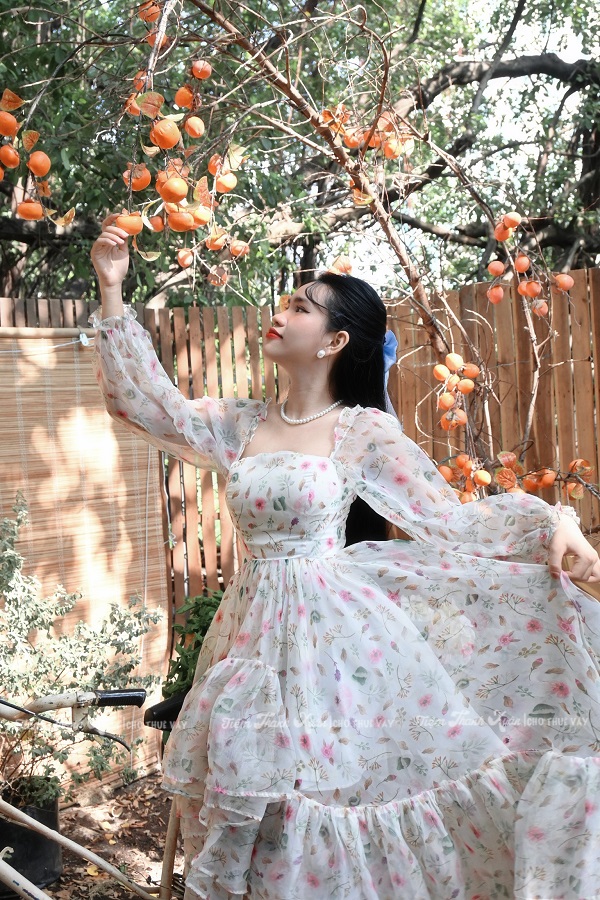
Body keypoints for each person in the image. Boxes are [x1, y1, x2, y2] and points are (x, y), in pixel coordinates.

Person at [91, 214, 600, 900]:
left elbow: (448, 520)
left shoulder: (361, 431)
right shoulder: (241, 424)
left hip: (334, 643)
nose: (280, 315)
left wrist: (553, 523)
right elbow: (147, 406)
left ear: (335, 341)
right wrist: (112, 289)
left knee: (327, 797)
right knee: (264, 798)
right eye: (285, 303)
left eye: (300, 308)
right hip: (251, 635)